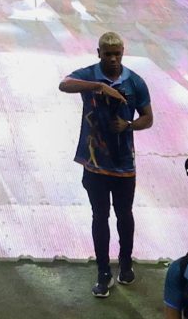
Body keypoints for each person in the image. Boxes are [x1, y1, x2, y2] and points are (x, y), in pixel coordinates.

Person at [60, 31, 152, 299]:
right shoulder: (89, 75)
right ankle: (103, 271)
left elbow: (148, 118)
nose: (113, 59)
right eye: (107, 54)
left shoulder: (135, 81)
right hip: (95, 163)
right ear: (98, 53)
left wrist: (130, 125)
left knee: (125, 215)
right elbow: (64, 84)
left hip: (124, 164)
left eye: (117, 54)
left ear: (123, 52)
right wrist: (99, 87)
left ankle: (125, 263)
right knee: (99, 216)